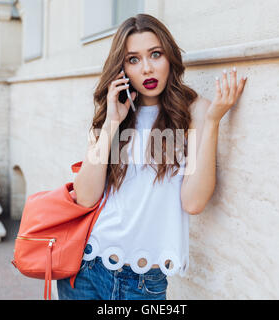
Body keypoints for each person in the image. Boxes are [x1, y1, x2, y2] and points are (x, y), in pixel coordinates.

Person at [57, 13, 247, 300]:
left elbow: (193, 202)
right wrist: (111, 123)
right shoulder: (115, 113)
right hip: (85, 267)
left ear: (169, 57)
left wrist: (214, 121)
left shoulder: (195, 111)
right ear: (121, 68)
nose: (147, 68)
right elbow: (85, 197)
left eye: (155, 54)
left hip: (143, 281)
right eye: (133, 59)